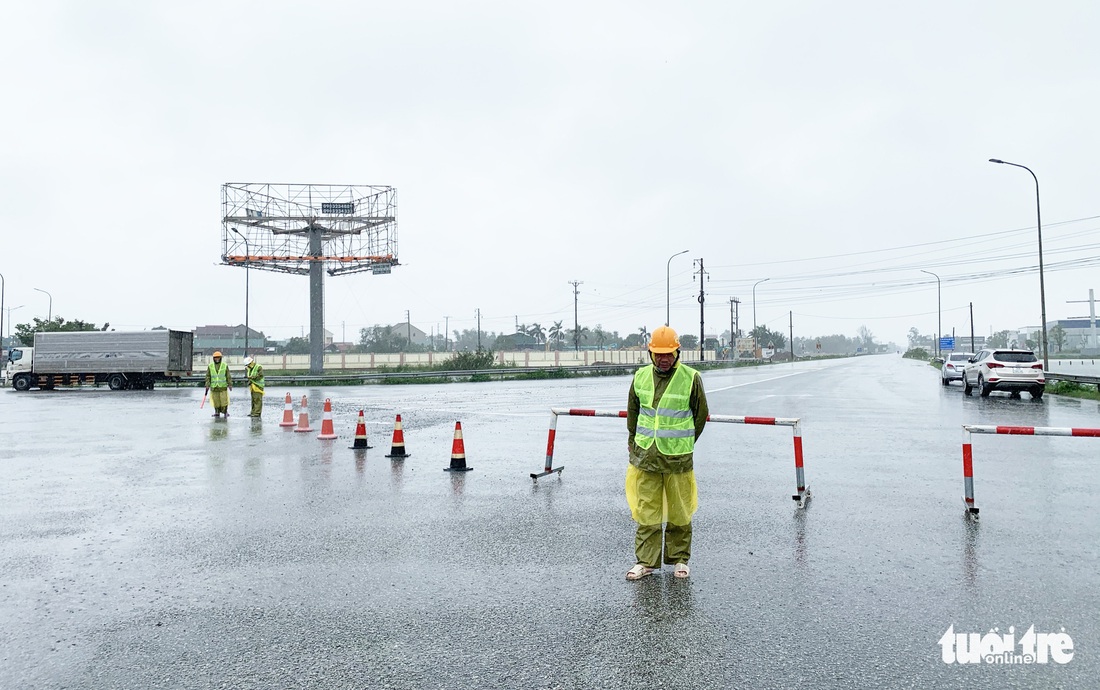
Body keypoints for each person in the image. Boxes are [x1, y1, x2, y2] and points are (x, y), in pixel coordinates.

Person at [625, 326, 709, 581]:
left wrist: (684, 442)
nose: (664, 359)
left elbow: (700, 415)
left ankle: (680, 560)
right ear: (651, 353)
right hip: (645, 457)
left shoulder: (691, 377)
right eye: (659, 354)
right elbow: (633, 412)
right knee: (646, 511)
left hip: (677, 459)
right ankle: (645, 562)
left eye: (669, 354)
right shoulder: (640, 376)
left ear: (677, 352)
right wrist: (633, 440)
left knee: (679, 511)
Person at [204, 351, 233, 418]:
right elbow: (208, 376)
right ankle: (217, 412)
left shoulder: (224, 365)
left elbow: (228, 375)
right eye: (215, 358)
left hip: (222, 387)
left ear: (220, 358)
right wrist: (207, 384)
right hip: (214, 387)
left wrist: (230, 384)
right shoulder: (210, 366)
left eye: (218, 358)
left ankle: (225, 412)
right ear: (213, 358)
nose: (217, 359)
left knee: (224, 401)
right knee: (216, 401)